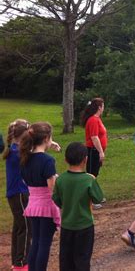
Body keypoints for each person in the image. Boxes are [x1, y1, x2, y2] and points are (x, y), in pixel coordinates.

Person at [52, 142, 104, 271]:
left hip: (67, 226)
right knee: (82, 259)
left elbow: (57, 200)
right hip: (85, 226)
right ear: (85, 160)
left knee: (66, 259)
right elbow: (98, 198)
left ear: (65, 160)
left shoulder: (60, 180)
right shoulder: (89, 179)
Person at [19, 122, 61, 271]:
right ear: (46, 138)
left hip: (32, 205)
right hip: (46, 207)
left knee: (35, 241)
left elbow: (26, 180)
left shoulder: (25, 158)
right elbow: (52, 189)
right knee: (44, 243)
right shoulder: (48, 160)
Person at [3, 119, 31, 270]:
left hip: (16, 195)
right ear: (23, 135)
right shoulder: (17, 153)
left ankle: (17, 261)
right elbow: (33, 157)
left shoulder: (13, 149)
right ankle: (21, 263)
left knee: (19, 227)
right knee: (26, 228)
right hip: (20, 195)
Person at [81, 98, 107, 209]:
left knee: (94, 174)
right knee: (91, 175)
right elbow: (94, 137)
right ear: (99, 107)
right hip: (93, 151)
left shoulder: (97, 119)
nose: (104, 108)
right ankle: (91, 200)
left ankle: (97, 196)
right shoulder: (93, 120)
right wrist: (100, 152)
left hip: (96, 151)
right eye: (103, 106)